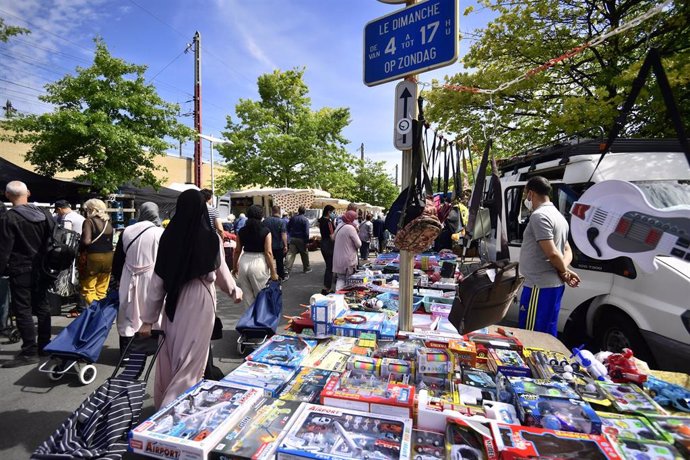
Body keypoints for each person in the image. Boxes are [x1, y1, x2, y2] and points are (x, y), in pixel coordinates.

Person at [139, 190, 242, 409]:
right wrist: (233, 291)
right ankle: (173, 409)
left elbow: (157, 282)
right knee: (192, 360)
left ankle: (165, 403)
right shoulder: (210, 238)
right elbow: (221, 271)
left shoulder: (169, 236)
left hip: (173, 302)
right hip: (200, 301)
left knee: (171, 355)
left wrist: (148, 320)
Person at [518, 176, 580, 337]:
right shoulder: (559, 216)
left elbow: (552, 253)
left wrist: (564, 271)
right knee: (547, 331)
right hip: (551, 286)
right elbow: (567, 250)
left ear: (531, 193)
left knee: (530, 335)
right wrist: (564, 270)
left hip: (538, 286)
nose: (526, 198)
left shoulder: (539, 216)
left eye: (526, 194)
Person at [0, 181, 52, 367]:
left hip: (21, 268)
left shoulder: (9, 218)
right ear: (28, 193)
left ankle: (30, 350)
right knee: (43, 306)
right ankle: (45, 344)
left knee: (23, 310)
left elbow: (4, 250)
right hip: (43, 268)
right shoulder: (44, 214)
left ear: (7, 195)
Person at [111, 202, 164, 354]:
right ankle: (150, 348)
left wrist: (117, 278)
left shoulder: (127, 231)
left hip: (129, 276)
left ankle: (126, 351)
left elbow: (118, 259)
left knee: (127, 312)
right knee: (151, 310)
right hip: (152, 277)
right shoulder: (160, 233)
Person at [233, 205, 279, 310]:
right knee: (261, 295)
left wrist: (235, 267)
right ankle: (261, 320)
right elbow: (268, 252)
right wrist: (273, 272)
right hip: (259, 262)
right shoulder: (266, 231)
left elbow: (237, 251)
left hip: (244, 262)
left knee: (248, 296)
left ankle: (250, 321)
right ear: (261, 215)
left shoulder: (241, 231)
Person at [76, 198, 114, 316]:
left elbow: (86, 241)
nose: (86, 211)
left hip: (93, 258)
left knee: (88, 289)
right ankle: (102, 313)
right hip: (108, 258)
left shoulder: (89, 221)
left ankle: (99, 314)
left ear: (92, 209)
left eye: (86, 209)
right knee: (101, 290)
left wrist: (78, 244)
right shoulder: (109, 222)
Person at [332, 210, 362, 291]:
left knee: (340, 279)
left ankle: (337, 296)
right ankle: (345, 298)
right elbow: (359, 244)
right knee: (348, 281)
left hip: (337, 258)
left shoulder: (340, 225)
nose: (355, 220)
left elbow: (333, 237)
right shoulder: (350, 228)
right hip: (348, 259)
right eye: (354, 218)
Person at [263, 205, 288, 280]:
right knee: (279, 262)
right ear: (279, 212)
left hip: (268, 245)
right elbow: (283, 234)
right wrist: (285, 245)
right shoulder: (282, 221)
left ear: (272, 211)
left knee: (268, 262)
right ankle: (281, 276)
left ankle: (268, 276)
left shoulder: (265, 221)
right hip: (279, 245)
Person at [285, 206, 311, 275]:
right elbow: (306, 232)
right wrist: (307, 242)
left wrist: (290, 235)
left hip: (292, 238)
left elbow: (287, 227)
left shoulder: (293, 218)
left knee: (290, 254)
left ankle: (287, 269)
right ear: (304, 212)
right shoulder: (305, 220)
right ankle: (306, 268)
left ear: (298, 211)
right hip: (301, 239)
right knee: (304, 254)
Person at [318, 205, 336, 295]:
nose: (334, 214)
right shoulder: (328, 222)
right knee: (330, 267)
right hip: (329, 245)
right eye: (333, 212)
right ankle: (327, 288)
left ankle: (326, 287)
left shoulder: (320, 220)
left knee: (328, 266)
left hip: (323, 244)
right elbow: (332, 236)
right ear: (329, 212)